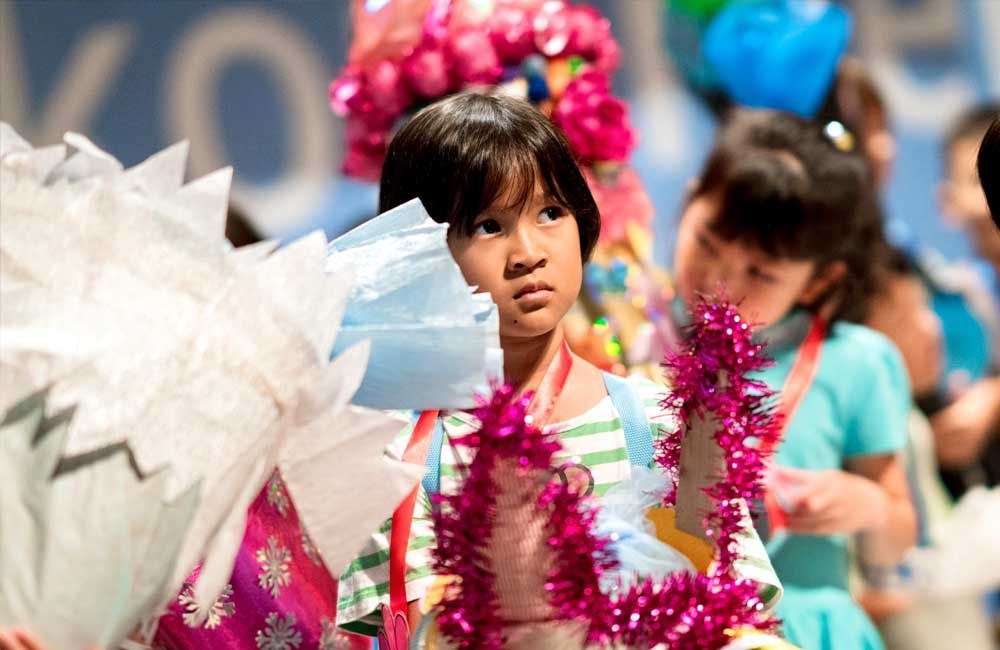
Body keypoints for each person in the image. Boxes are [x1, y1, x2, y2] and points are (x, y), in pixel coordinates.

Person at [335, 92, 781, 642]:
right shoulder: (397, 459)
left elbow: (736, 619)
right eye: (486, 225)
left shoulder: (661, 423)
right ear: (419, 253)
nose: (527, 252)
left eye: (550, 212)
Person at [671, 109, 917, 649]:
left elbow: (899, 536)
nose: (720, 280)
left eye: (761, 272)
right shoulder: (633, 335)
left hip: (805, 631)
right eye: (707, 243)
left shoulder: (855, 363)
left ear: (819, 280)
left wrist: (869, 506)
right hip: (664, 623)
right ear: (689, 202)